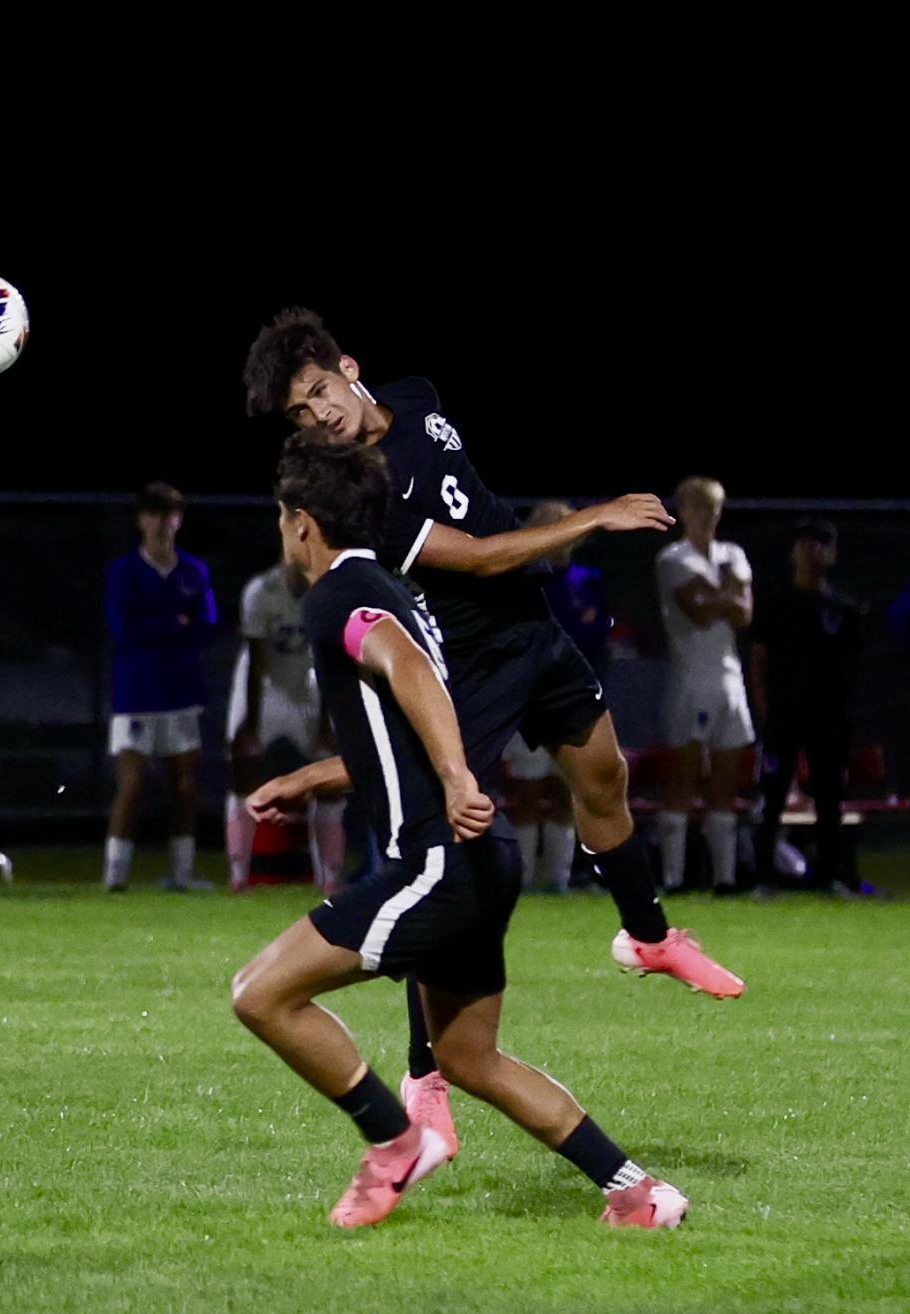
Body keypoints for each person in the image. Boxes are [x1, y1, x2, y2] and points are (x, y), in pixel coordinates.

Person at [243, 309, 745, 1153]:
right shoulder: (361, 494)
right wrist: (593, 517)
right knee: (443, 848)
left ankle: (648, 938)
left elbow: (471, 502)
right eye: (300, 413)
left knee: (606, 775)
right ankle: (424, 1075)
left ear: (350, 368)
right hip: (466, 661)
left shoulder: (417, 396)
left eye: (320, 392)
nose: (319, 416)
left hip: (532, 632)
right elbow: (477, 556)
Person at [233, 430, 688, 1232]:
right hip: (484, 856)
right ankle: (638, 1193)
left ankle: (392, 1140)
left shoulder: (340, 595)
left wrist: (452, 778)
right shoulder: (400, 590)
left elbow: (405, 668)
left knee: (261, 995)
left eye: (281, 516)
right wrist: (318, 777)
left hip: (434, 863)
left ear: (302, 522)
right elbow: (406, 716)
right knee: (470, 1060)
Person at [103, 482, 217, 892]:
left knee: (186, 787)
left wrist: (171, 628)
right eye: (153, 514)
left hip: (182, 693)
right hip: (136, 694)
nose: (161, 524)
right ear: (141, 521)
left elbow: (206, 626)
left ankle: (182, 876)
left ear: (179, 521)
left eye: (169, 515)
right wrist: (174, 625)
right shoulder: (124, 571)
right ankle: (114, 877)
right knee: (132, 787)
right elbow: (124, 630)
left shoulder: (193, 570)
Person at [502, 500, 613, 892]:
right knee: (528, 792)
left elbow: (598, 633)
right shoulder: (520, 576)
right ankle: (525, 877)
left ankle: (559, 879)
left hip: (574, 698)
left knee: (567, 792)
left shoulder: (588, 579)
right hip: (528, 698)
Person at [751, 517, 865, 894]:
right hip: (783, 718)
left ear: (831, 554)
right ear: (793, 551)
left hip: (830, 722)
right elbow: (758, 661)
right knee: (772, 798)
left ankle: (830, 877)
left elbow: (854, 668)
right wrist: (766, 711)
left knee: (830, 800)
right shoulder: (776, 606)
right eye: (804, 543)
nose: (811, 550)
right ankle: (764, 878)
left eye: (820, 543)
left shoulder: (844, 609)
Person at [654, 476, 754, 894]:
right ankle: (673, 879)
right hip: (690, 680)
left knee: (726, 784)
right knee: (683, 779)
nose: (708, 516)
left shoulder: (733, 552)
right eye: (699, 508)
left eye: (713, 509)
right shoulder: (672, 557)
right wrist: (726, 594)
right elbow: (697, 611)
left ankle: (725, 879)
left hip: (730, 681)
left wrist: (719, 598)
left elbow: (741, 614)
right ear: (683, 511)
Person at [225, 558, 346, 894]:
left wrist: (326, 723)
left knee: (330, 773)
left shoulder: (327, 593)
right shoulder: (261, 591)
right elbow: (256, 660)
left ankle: (330, 877)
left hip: (307, 688)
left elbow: (327, 661)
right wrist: (250, 724)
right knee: (244, 770)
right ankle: (238, 874)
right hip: (266, 688)